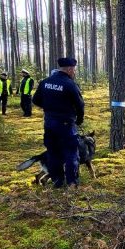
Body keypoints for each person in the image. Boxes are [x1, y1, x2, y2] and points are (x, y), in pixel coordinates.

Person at [32, 58, 85, 188]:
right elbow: (80, 105)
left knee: (53, 153)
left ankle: (57, 181)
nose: (74, 72)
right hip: (66, 125)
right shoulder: (70, 84)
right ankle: (72, 183)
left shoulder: (45, 82)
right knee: (71, 153)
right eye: (74, 70)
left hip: (49, 124)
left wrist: (49, 108)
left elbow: (35, 100)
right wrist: (79, 119)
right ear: (69, 69)